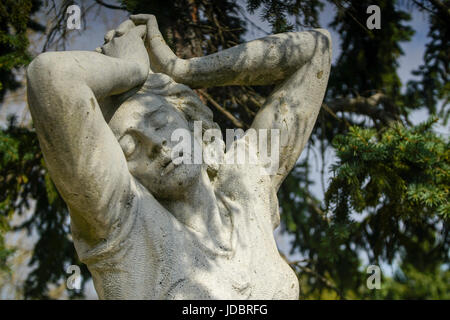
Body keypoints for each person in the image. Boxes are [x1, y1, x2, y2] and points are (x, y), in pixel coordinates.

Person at [26, 14, 331, 299]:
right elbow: (52, 78)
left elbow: (315, 51)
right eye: (130, 146)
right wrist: (134, 68)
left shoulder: (245, 191)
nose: (156, 143)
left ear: (191, 122)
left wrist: (181, 69)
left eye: (160, 122)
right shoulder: (126, 229)